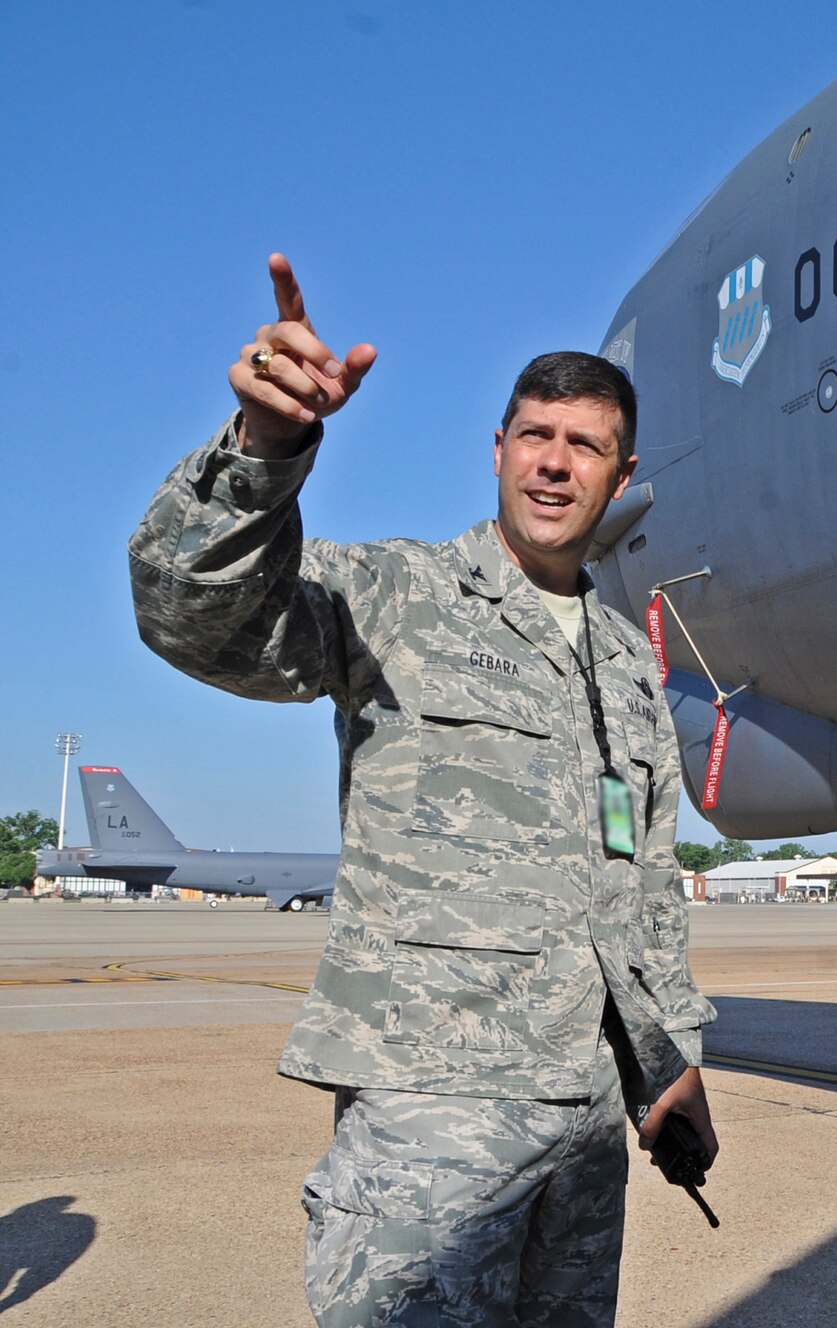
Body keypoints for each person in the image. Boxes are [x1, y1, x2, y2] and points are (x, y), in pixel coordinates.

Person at [128, 254, 717, 1327]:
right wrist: (265, 448)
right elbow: (192, 618)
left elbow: (645, 886)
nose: (553, 463)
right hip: (431, 1113)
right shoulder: (396, 594)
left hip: (585, 1122)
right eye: (534, 435)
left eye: (582, 445)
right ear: (496, 451)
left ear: (620, 475)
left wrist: (666, 1062)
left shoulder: (630, 668)